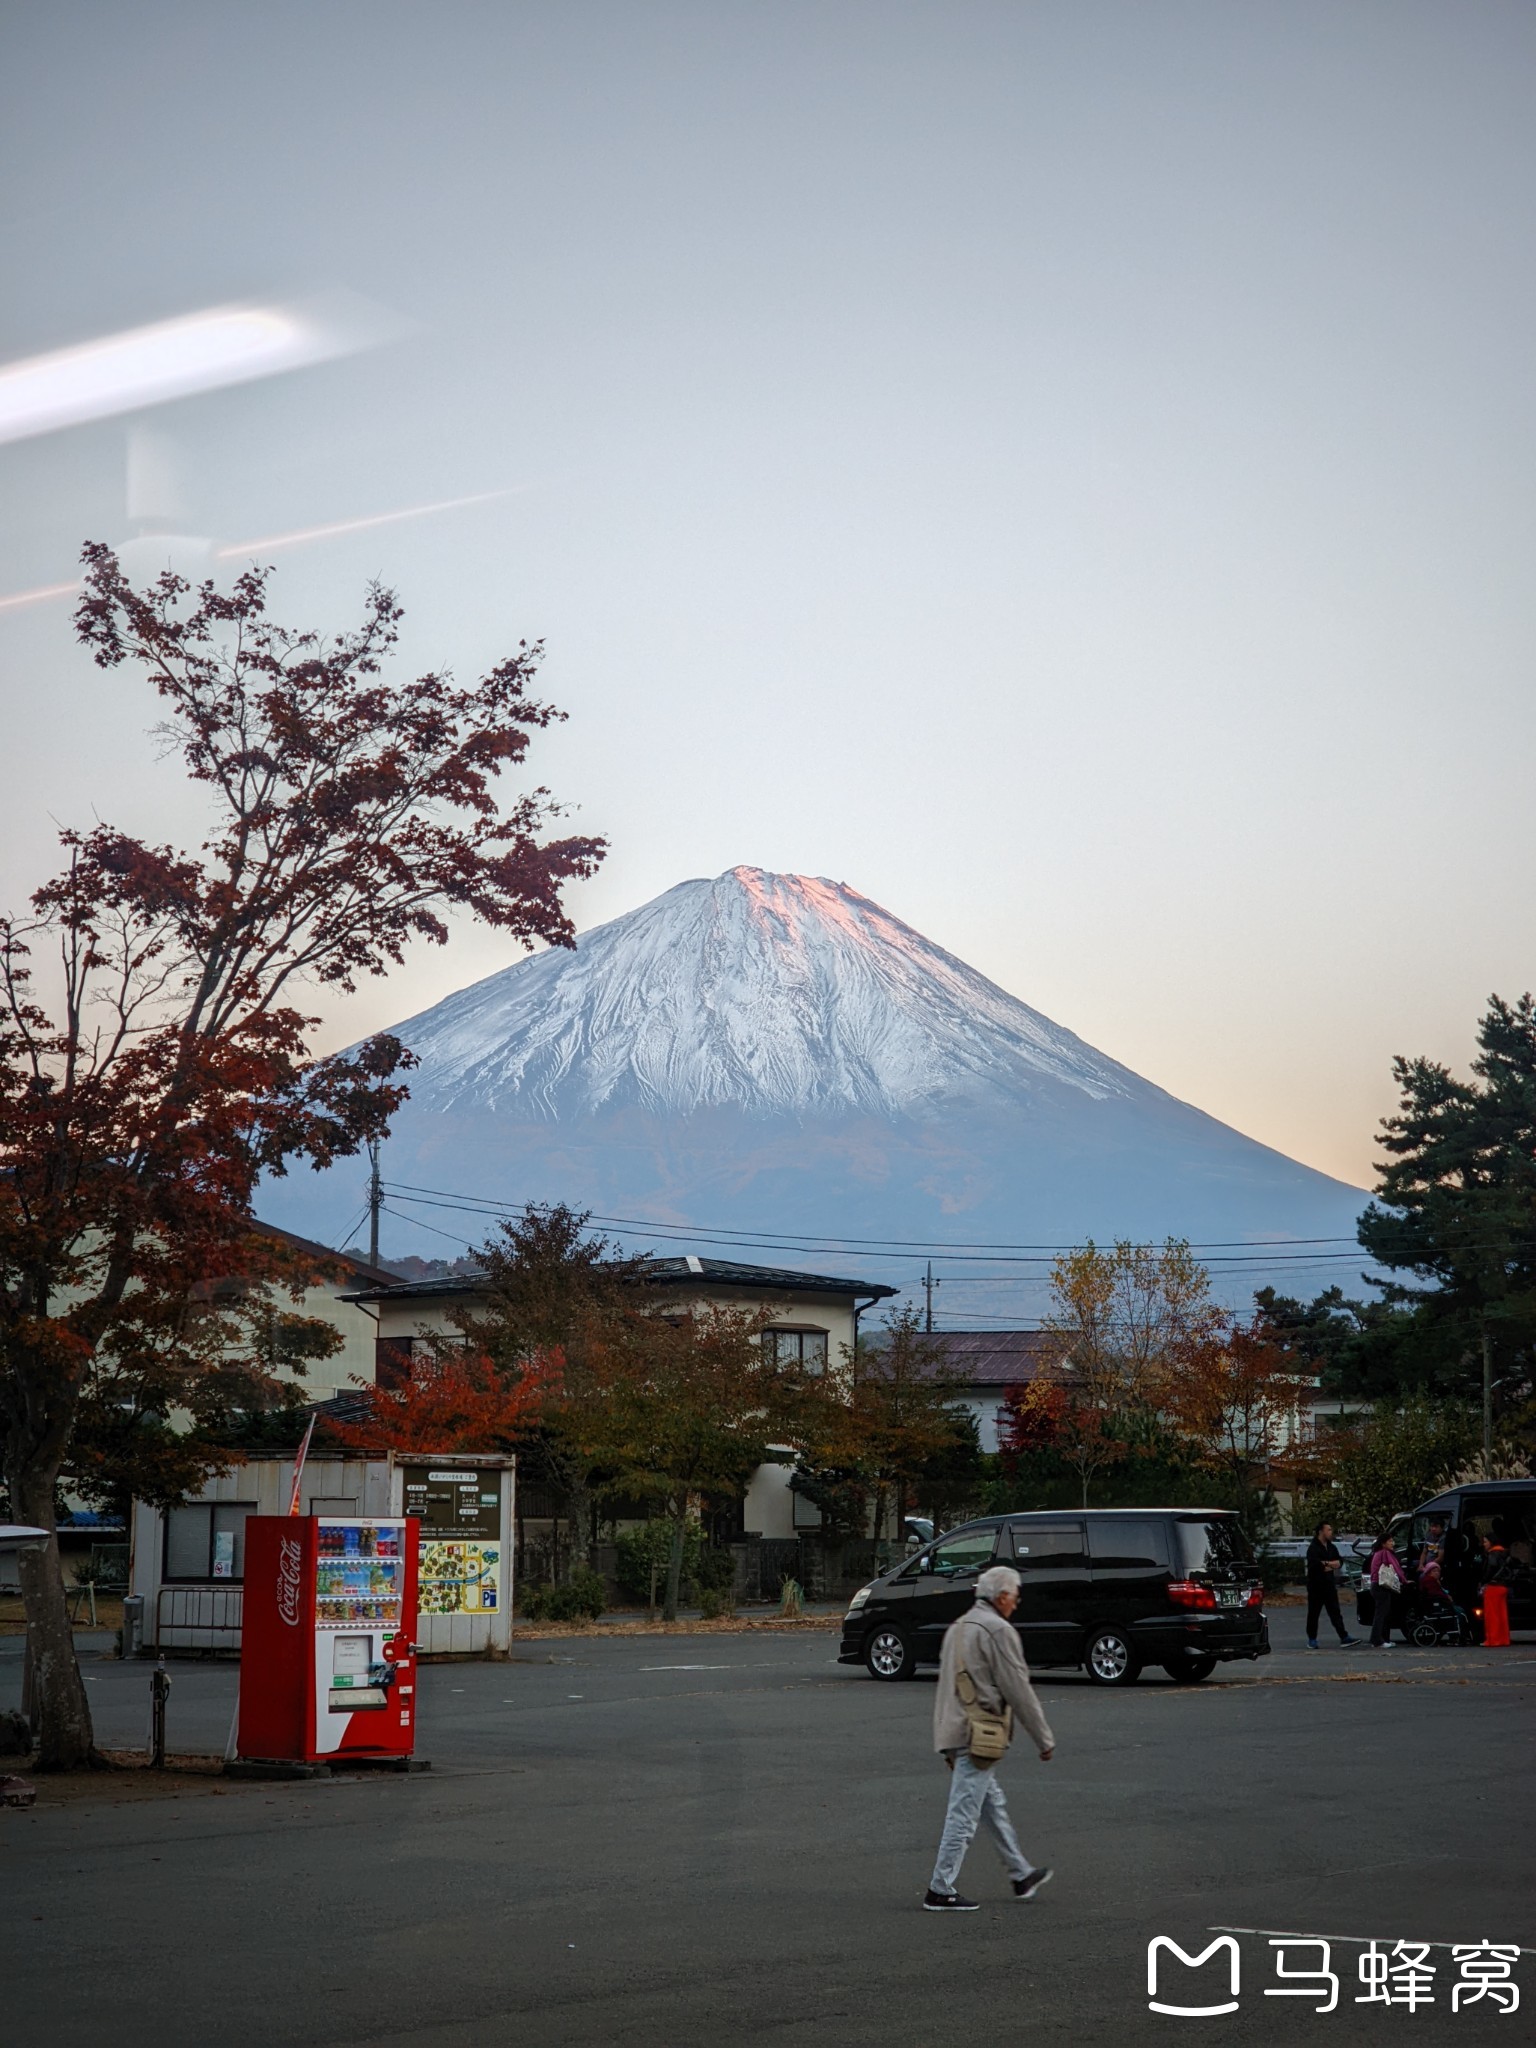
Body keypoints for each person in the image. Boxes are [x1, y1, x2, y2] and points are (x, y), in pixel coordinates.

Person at [924, 1563, 1056, 1912]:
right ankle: (940, 1887)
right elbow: (1018, 1690)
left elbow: (946, 1687)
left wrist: (943, 1739)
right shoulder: (998, 1630)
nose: (1017, 1603)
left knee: (989, 1804)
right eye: (1014, 1596)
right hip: (978, 1735)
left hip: (955, 1731)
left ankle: (1020, 1873)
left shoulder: (959, 1627)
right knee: (964, 1813)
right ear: (1001, 1597)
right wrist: (1043, 1739)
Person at [1305, 1521, 1360, 1648]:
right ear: (1321, 1531)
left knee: (1335, 1612)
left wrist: (1329, 1564)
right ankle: (1312, 1639)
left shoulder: (1331, 1547)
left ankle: (1344, 1636)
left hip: (1329, 1585)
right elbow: (1315, 1565)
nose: (1331, 1532)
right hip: (1315, 1586)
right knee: (1314, 1613)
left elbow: (1339, 1561)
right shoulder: (1313, 1548)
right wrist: (1329, 1564)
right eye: (1328, 1530)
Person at [1366, 1532, 1402, 1648]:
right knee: (1381, 1614)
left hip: (1376, 1585)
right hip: (1381, 1586)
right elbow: (1396, 1567)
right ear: (1383, 1543)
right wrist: (1405, 1580)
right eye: (1390, 1541)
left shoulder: (1377, 1553)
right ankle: (1377, 1640)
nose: (1393, 1543)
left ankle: (1384, 1639)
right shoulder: (1386, 1553)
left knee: (1384, 1613)